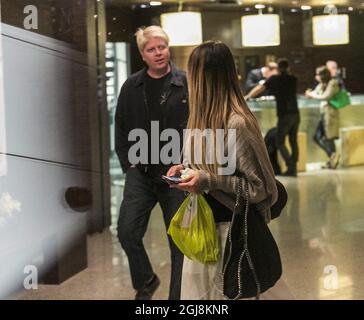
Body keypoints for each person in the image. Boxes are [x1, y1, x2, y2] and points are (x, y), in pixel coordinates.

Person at [167, 41, 294, 300]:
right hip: (202, 231)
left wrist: (208, 180)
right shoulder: (199, 120)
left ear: (203, 77)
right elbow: (207, 169)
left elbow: (260, 189)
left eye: (193, 72)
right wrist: (186, 170)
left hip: (230, 236)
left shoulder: (238, 123)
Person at [114, 26, 188, 300]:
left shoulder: (186, 83)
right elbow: (120, 126)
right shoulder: (131, 85)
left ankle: (176, 299)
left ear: (168, 48)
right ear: (142, 55)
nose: (158, 53)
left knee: (178, 242)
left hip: (177, 177)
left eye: (162, 47)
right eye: (151, 49)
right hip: (141, 173)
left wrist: (190, 165)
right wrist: (128, 164)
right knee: (126, 232)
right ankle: (146, 280)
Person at [245, 58, 300, 177]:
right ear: (288, 67)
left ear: (279, 68)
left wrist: (248, 97)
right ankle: (294, 167)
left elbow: (260, 88)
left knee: (280, 142)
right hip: (295, 113)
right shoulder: (293, 79)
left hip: (284, 114)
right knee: (293, 141)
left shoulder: (275, 79)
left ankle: (291, 167)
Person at [305, 66, 340, 169]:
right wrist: (311, 93)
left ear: (323, 75)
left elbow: (326, 96)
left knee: (329, 137)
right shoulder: (322, 84)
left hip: (330, 114)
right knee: (318, 137)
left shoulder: (333, 83)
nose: (317, 76)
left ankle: (332, 159)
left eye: (318, 74)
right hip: (324, 113)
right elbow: (316, 93)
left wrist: (312, 95)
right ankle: (333, 156)